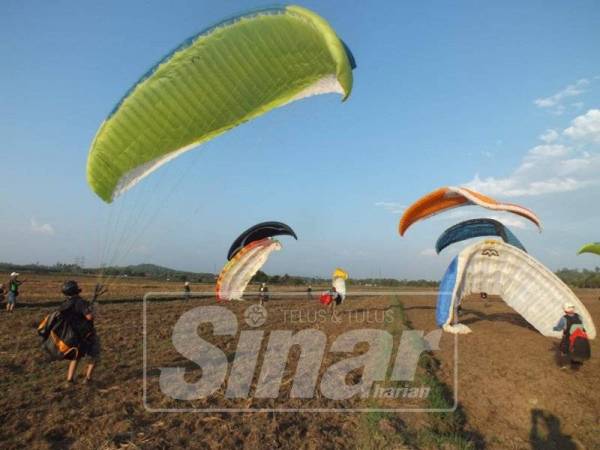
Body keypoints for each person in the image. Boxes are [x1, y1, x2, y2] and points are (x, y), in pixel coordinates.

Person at [59, 281, 102, 385]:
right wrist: (92, 310)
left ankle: (70, 380)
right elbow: (89, 317)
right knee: (94, 355)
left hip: (73, 335)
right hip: (86, 334)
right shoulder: (80, 302)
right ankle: (88, 379)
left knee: (76, 356)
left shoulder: (64, 304)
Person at [553, 302, 589, 369]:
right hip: (579, 337)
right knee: (575, 348)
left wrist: (554, 328)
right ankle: (576, 362)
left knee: (563, 350)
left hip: (568, 338)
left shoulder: (564, 318)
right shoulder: (579, 316)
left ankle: (563, 365)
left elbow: (559, 328)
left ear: (565, 310)